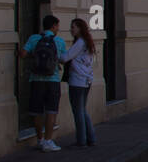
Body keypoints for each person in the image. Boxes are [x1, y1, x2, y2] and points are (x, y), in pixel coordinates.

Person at [21, 14, 67, 151]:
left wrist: (34, 56)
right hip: (52, 80)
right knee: (51, 111)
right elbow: (63, 59)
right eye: (57, 26)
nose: (58, 29)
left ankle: (40, 139)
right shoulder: (59, 41)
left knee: (37, 111)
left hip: (36, 79)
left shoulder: (34, 38)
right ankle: (48, 141)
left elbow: (22, 54)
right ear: (53, 26)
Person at [66, 17, 97, 147]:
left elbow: (65, 57)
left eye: (73, 27)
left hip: (77, 80)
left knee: (78, 111)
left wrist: (57, 54)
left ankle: (81, 140)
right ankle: (90, 138)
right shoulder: (87, 42)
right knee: (82, 110)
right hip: (86, 80)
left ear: (79, 28)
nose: (71, 29)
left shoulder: (79, 43)